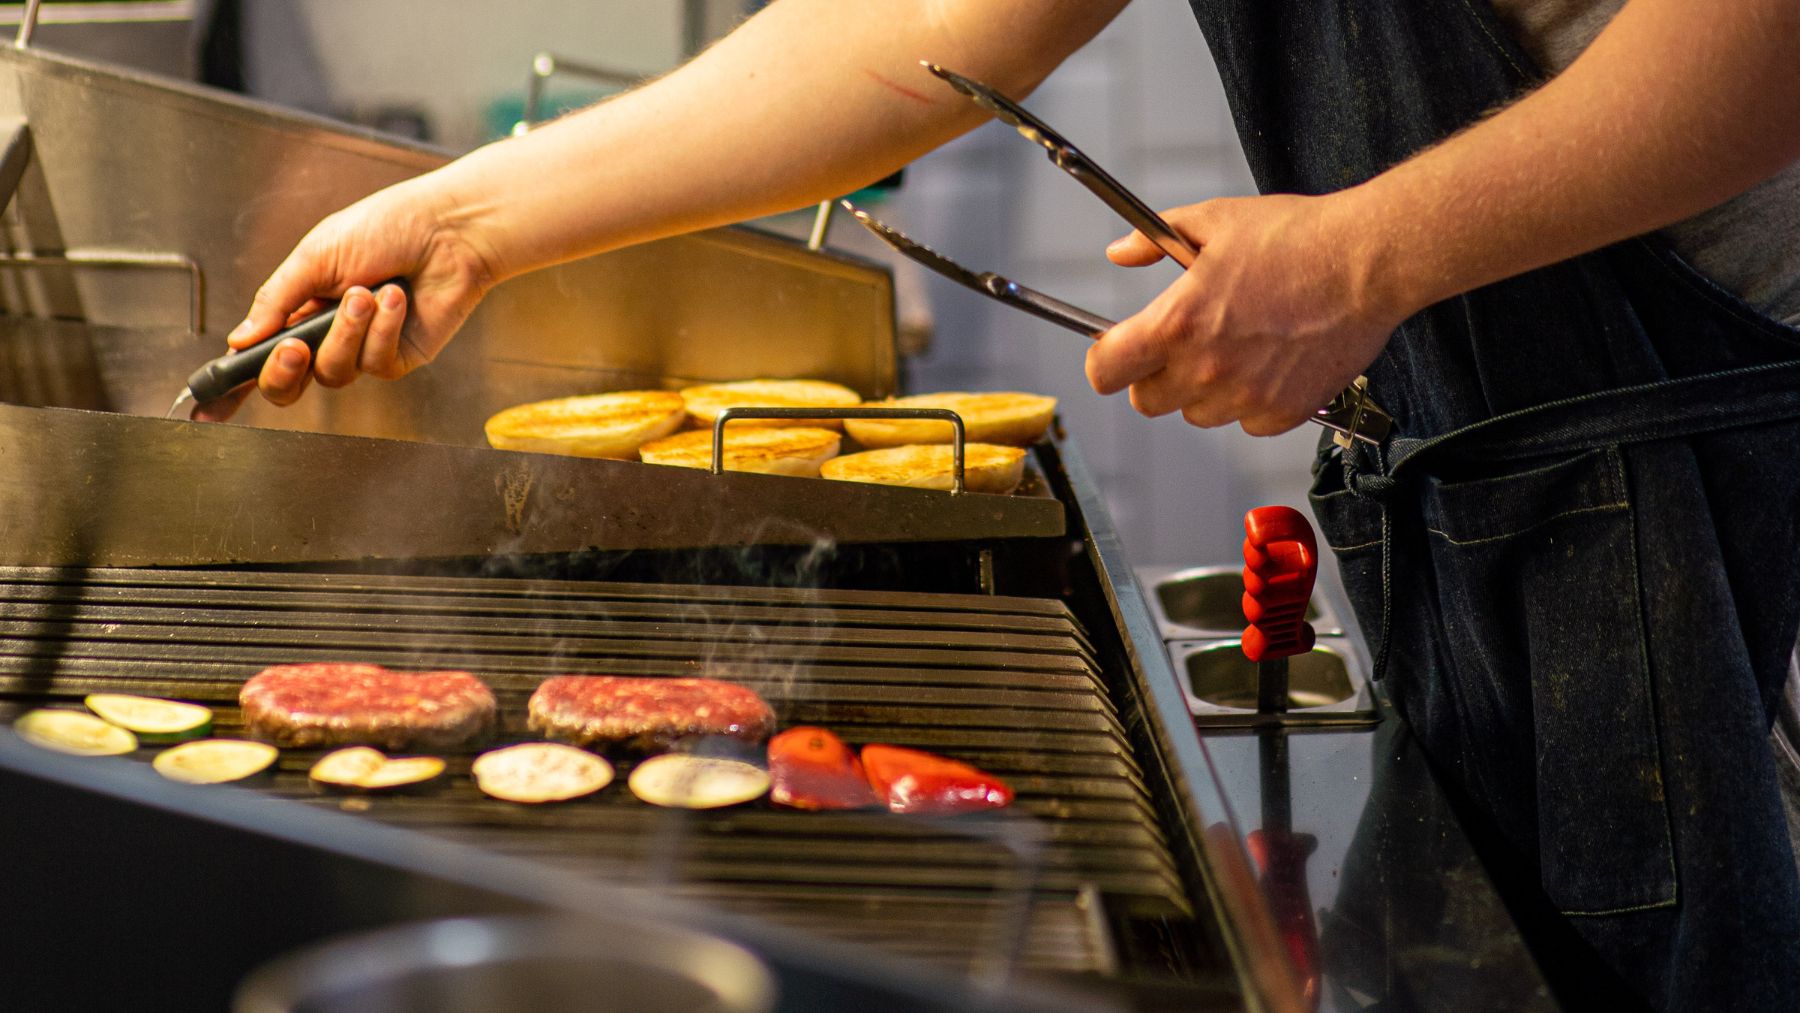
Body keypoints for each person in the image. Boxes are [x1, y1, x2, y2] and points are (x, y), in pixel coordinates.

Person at [206, 1, 1800, 1007]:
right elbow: (913, 28)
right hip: (1483, 487)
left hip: (1728, 491)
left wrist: (1364, 257)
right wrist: (473, 216)